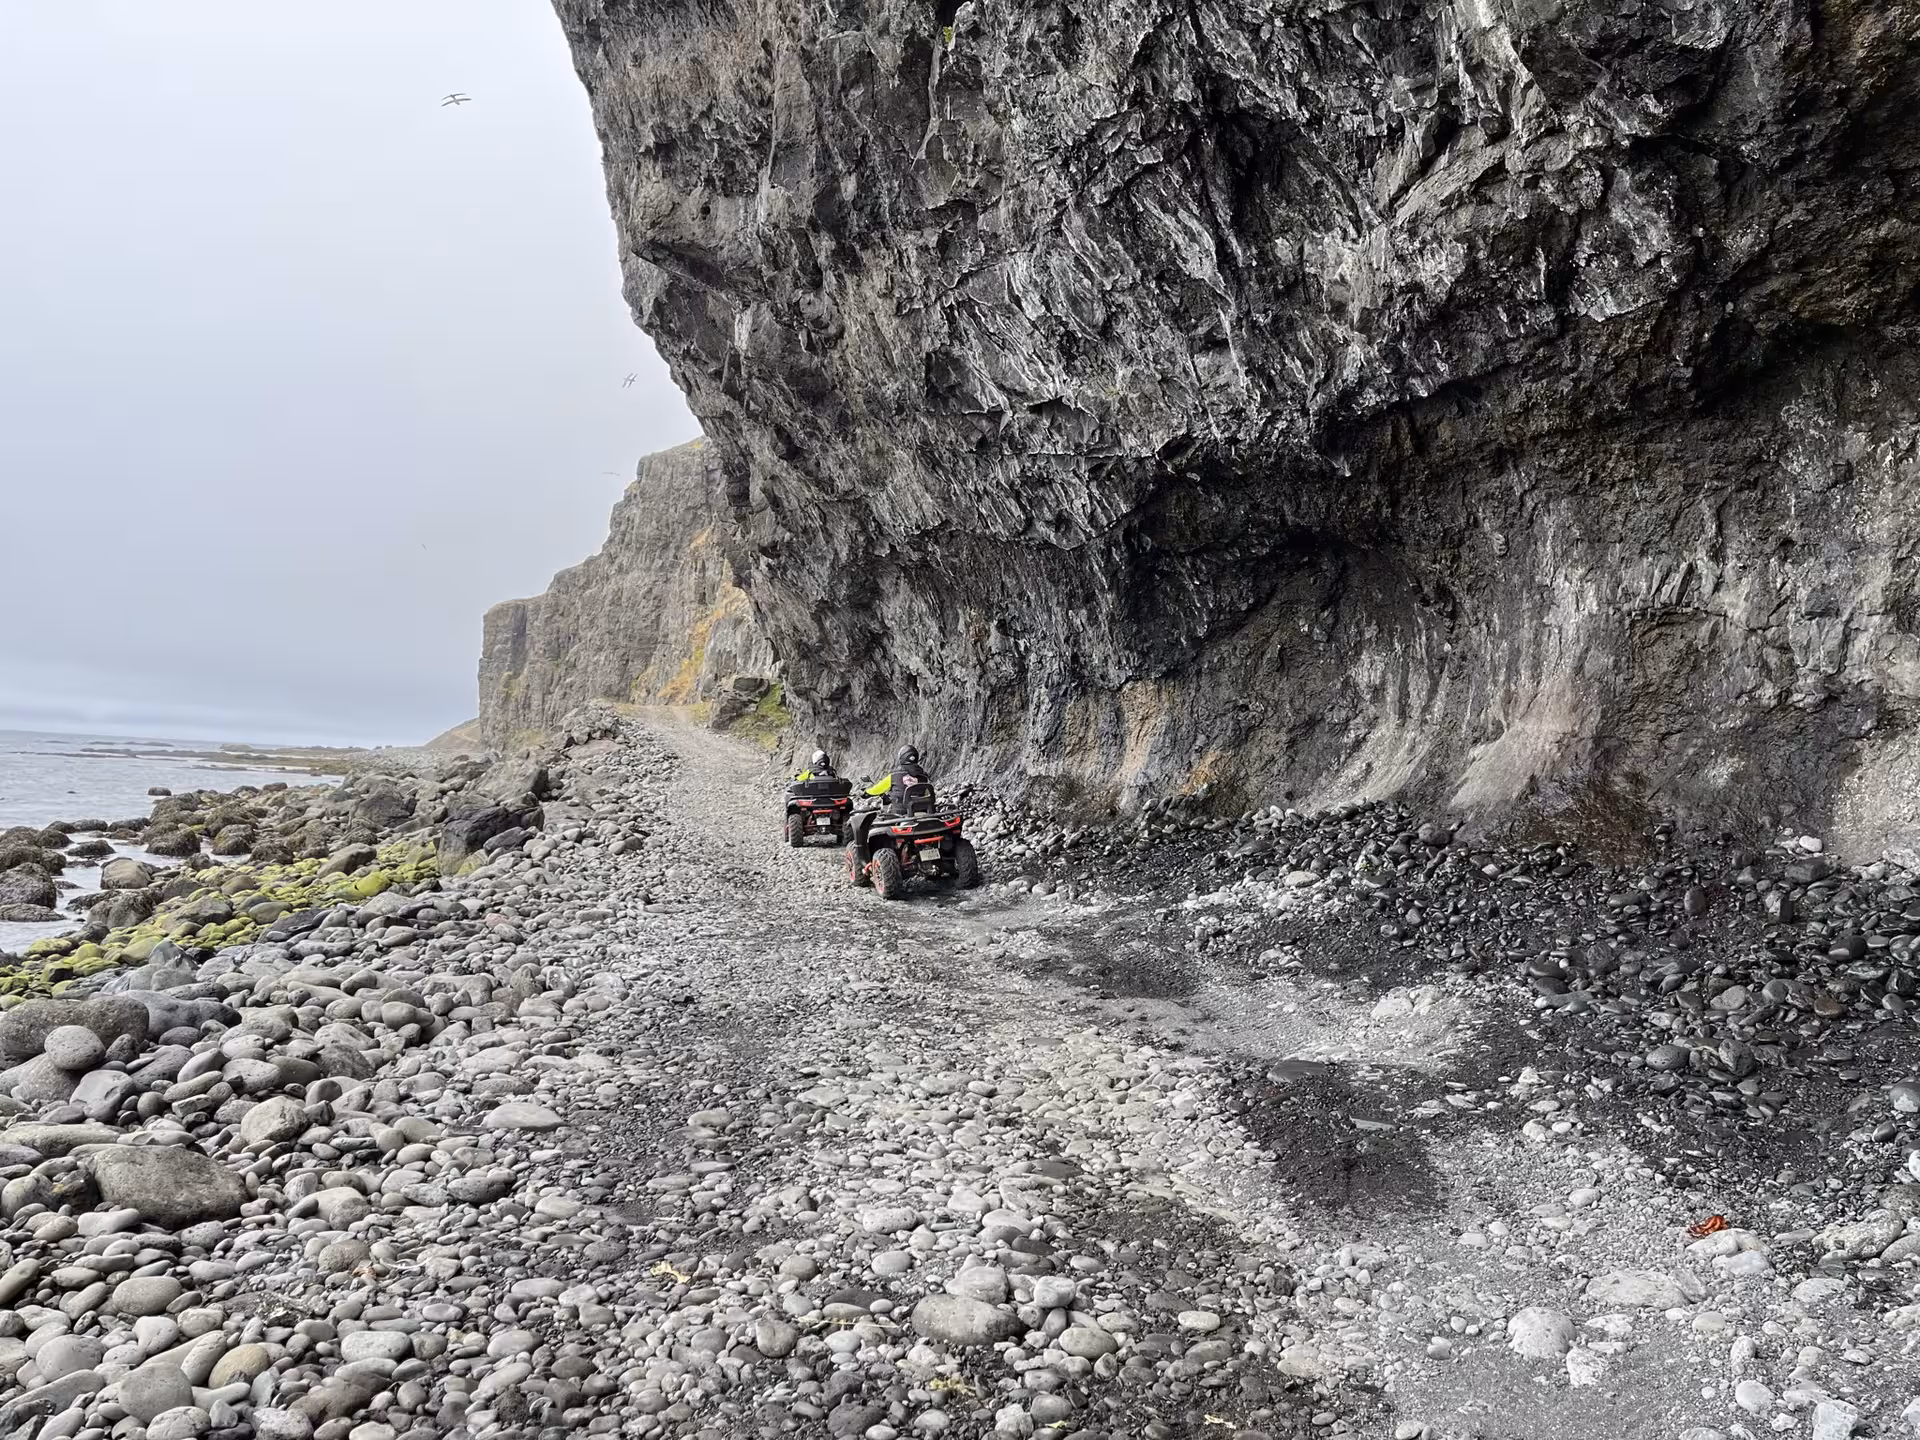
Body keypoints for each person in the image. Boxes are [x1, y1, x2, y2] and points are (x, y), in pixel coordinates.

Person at [865, 745, 933, 815]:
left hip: (899, 812)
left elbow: (878, 789)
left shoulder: (894, 775)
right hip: (920, 810)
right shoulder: (924, 777)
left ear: (901, 757)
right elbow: (927, 795)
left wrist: (866, 792)